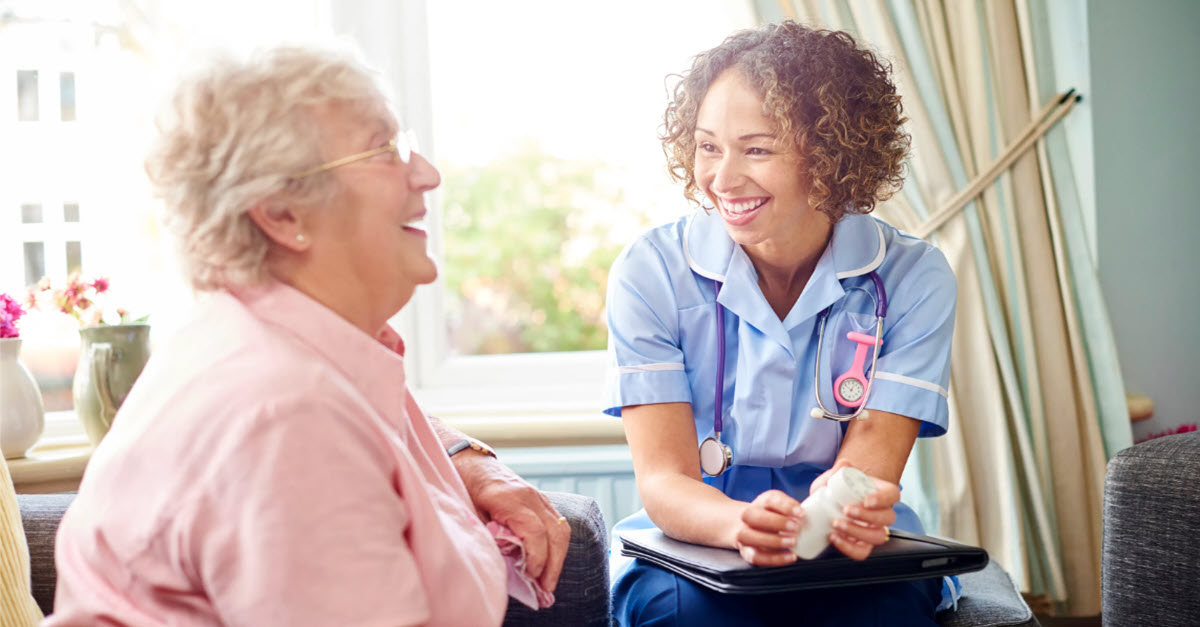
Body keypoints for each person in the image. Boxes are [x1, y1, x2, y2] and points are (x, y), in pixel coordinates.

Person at [46, 47, 569, 626]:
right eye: (385, 149)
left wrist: (467, 463)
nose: (428, 174)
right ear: (282, 213)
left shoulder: (275, 345)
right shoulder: (286, 412)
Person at [604, 21, 958, 626]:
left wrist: (833, 513)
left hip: (843, 539)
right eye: (708, 145)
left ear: (831, 155)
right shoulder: (651, 271)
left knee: (882, 613)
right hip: (698, 536)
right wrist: (738, 523)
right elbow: (665, 478)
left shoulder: (911, 277)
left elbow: (870, 459)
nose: (722, 177)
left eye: (757, 149)